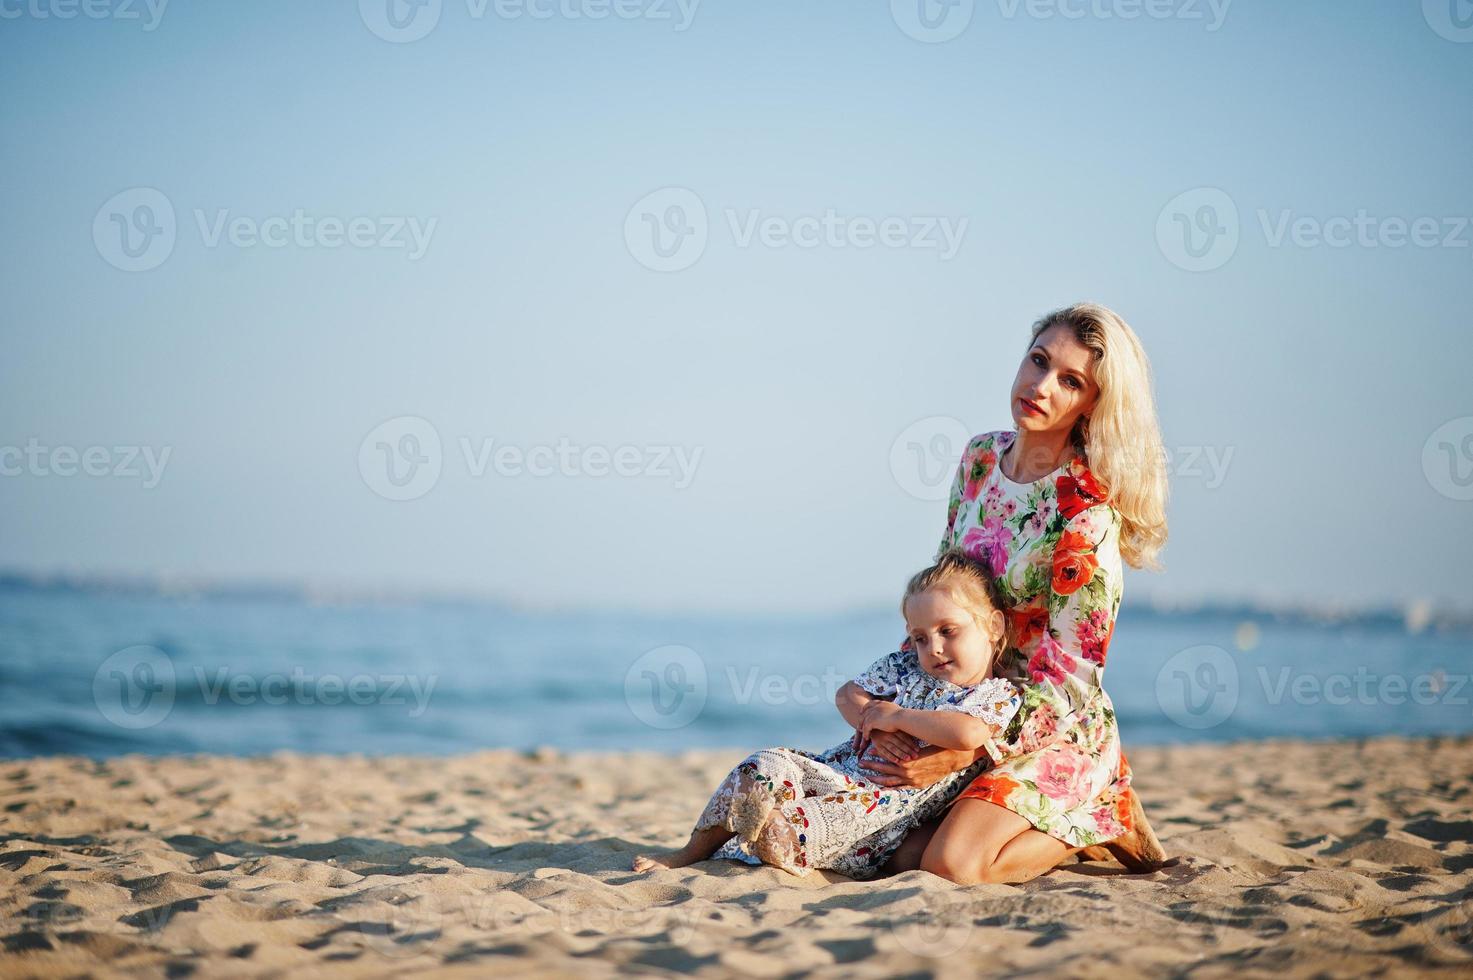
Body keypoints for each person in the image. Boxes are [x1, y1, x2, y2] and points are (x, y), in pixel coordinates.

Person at [857, 302, 1172, 883]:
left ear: (1093, 406)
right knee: (891, 856)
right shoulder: (979, 458)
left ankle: (1097, 817)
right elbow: (944, 595)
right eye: (1038, 361)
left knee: (951, 864)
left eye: (1070, 381)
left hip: (1052, 727)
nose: (1041, 386)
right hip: (960, 704)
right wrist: (902, 710)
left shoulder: (1086, 511)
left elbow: (1070, 680)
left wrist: (975, 746)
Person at [631, 549, 1022, 879]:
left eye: (948, 631)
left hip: (876, 809)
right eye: (920, 637)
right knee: (763, 764)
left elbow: (967, 734)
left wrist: (896, 716)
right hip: (833, 769)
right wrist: (872, 717)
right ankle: (690, 852)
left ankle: (762, 832)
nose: (932, 647)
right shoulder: (905, 667)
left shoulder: (994, 695)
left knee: (781, 832)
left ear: (993, 626)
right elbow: (847, 694)